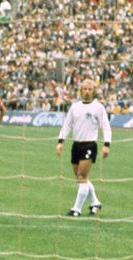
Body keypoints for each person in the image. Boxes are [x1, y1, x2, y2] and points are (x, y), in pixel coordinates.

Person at [56, 79, 112, 216]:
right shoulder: (75, 107)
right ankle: (95, 203)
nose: (87, 92)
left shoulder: (98, 108)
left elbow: (106, 127)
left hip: (89, 145)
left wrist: (106, 145)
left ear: (93, 91)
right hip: (76, 145)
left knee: (82, 176)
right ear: (81, 91)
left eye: (89, 89)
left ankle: (76, 209)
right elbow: (67, 125)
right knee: (81, 179)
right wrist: (60, 141)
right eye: (84, 89)